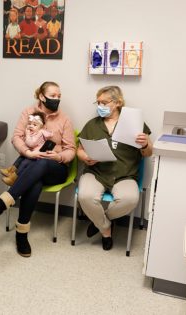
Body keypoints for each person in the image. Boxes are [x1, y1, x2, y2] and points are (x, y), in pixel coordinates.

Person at [0, 81, 75, 257]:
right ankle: (21, 234)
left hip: (57, 168)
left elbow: (71, 150)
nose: (57, 99)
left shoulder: (64, 119)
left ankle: (1, 204)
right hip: (33, 165)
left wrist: (59, 156)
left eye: (59, 96)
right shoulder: (28, 113)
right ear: (41, 96)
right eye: (53, 95)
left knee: (43, 162)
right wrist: (27, 152)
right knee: (35, 181)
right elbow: (16, 137)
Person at [77, 86, 152, 251]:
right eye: (98, 102)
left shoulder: (134, 123)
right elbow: (79, 149)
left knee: (130, 199)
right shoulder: (92, 125)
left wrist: (145, 143)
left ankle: (100, 221)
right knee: (85, 196)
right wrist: (85, 157)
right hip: (96, 172)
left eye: (104, 102)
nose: (100, 106)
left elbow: (148, 153)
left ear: (118, 103)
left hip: (124, 175)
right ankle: (105, 230)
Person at [0, 111, 52, 186]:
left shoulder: (40, 133)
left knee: (24, 163)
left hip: (37, 155)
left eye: (34, 125)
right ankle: (10, 170)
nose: (31, 126)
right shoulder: (35, 132)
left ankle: (13, 178)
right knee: (21, 157)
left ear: (41, 127)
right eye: (29, 124)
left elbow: (31, 143)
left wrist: (27, 134)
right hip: (32, 152)